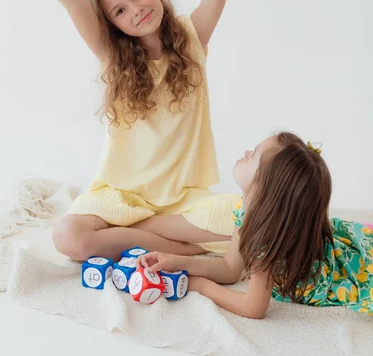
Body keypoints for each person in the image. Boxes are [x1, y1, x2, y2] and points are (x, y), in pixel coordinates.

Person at [11, 0, 266, 262]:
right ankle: (175, 246)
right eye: (118, 10)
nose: (135, 9)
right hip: (121, 198)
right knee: (68, 235)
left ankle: (145, 236)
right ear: (110, 24)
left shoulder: (193, 38)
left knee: (252, 227)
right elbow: (71, 2)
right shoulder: (113, 58)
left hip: (183, 203)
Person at [137, 132, 373, 318]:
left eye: (254, 155)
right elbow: (230, 268)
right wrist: (175, 262)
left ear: (267, 188)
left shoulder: (266, 238)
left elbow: (254, 308)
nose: (247, 151)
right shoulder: (251, 211)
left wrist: (200, 286)